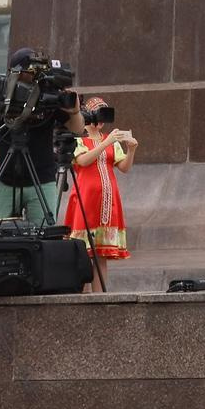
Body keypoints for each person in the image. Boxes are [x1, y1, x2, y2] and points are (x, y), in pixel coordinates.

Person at [0, 46, 84, 225]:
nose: (33, 79)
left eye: (37, 73)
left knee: (43, 236)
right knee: (0, 236)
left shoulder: (48, 99)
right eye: (29, 72)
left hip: (42, 180)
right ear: (13, 73)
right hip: (5, 180)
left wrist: (75, 111)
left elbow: (77, 129)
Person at [68, 97, 139, 280]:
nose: (101, 121)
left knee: (100, 256)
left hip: (107, 201)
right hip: (86, 198)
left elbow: (124, 167)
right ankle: (82, 296)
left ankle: (100, 298)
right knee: (83, 253)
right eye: (98, 114)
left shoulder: (110, 139)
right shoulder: (79, 139)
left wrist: (131, 150)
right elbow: (83, 161)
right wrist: (105, 144)